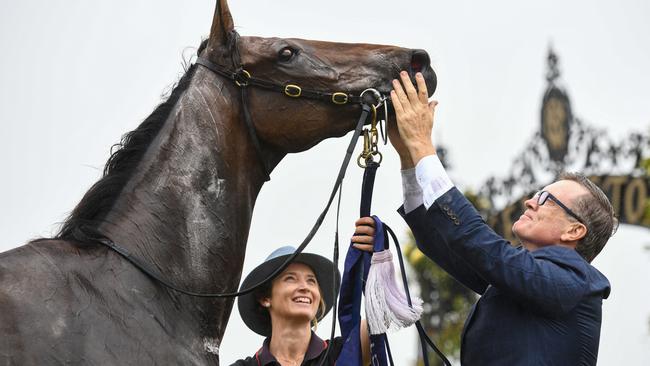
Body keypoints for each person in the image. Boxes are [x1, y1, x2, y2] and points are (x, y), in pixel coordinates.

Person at [352, 71, 617, 365]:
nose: (530, 201)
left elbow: (479, 243)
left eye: (546, 199)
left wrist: (423, 147)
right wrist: (408, 156)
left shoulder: (577, 281)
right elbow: (442, 243)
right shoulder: (519, 279)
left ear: (573, 231)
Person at [231, 246, 370, 366]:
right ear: (265, 298)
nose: (305, 287)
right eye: (290, 278)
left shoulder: (340, 352)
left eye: (311, 281)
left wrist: (375, 253)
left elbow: (382, 314)